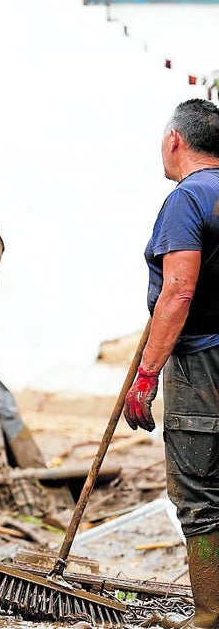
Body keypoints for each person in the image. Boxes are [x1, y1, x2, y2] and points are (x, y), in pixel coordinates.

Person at [124, 98, 219, 628]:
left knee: (199, 493)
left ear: (175, 141)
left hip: (202, 364)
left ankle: (209, 613)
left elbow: (178, 293)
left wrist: (145, 375)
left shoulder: (187, 199)